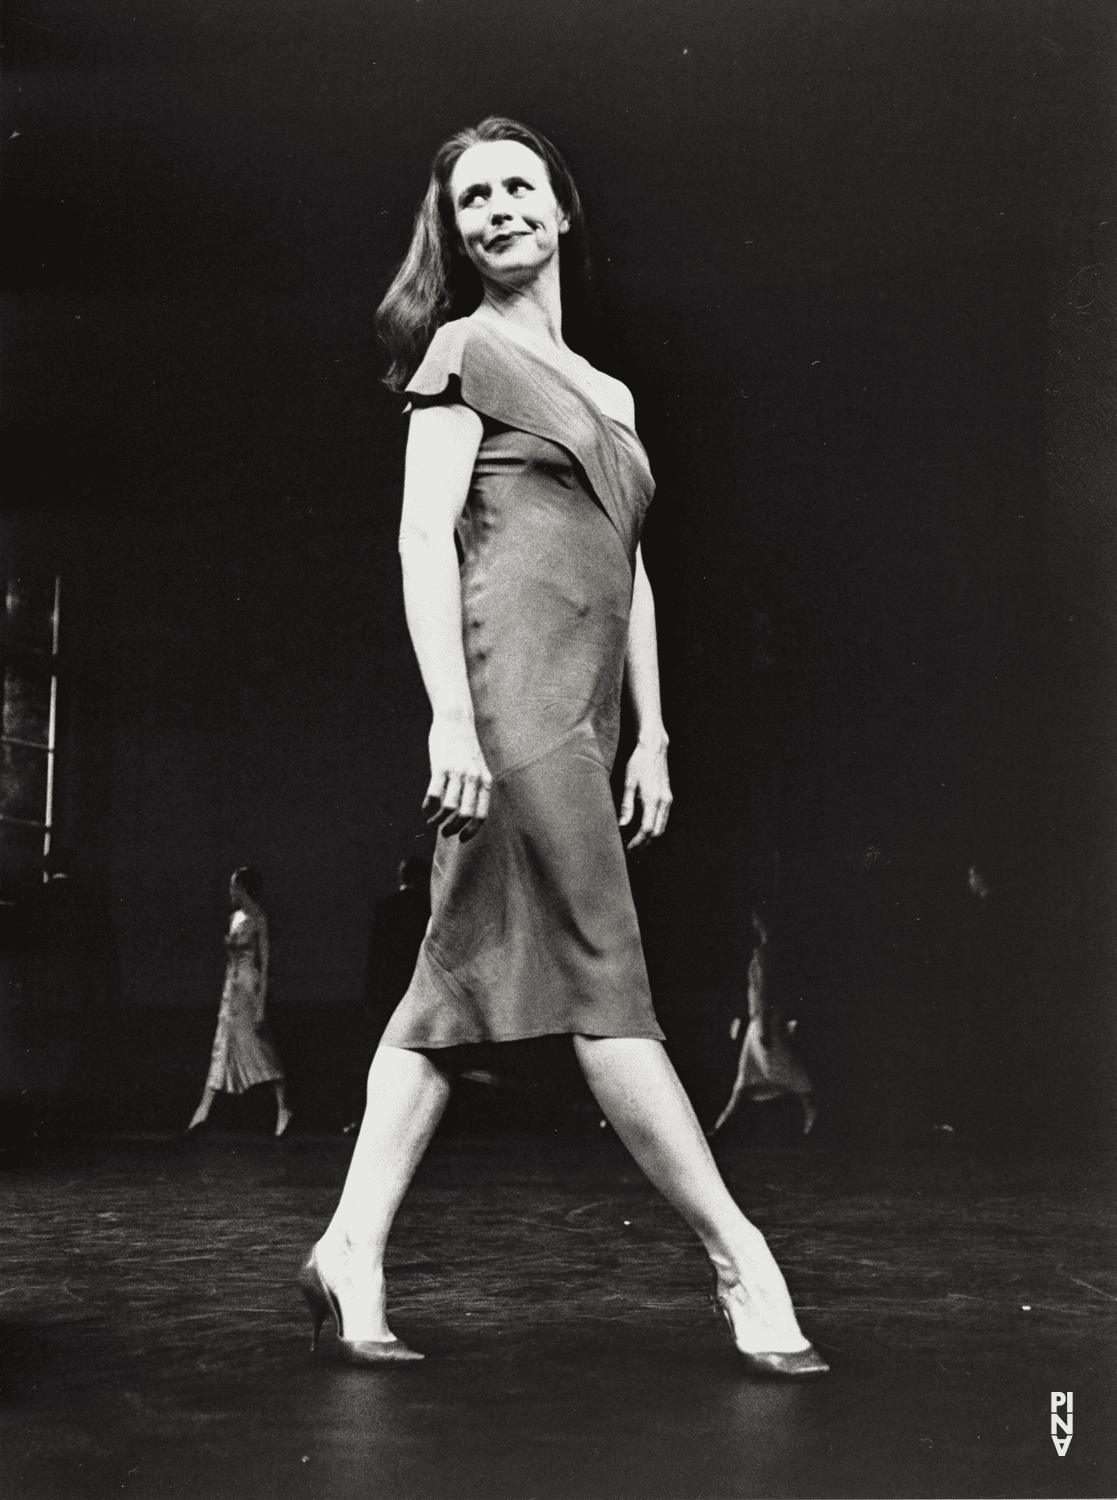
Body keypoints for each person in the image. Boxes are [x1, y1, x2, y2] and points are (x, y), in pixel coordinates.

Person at [299, 117, 827, 1377]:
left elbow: (628, 569)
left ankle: (349, 1248)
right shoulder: (460, 352)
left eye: (516, 187)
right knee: (604, 978)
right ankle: (739, 1257)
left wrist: (652, 732)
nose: (496, 209)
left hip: (587, 716)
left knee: (451, 987)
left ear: (560, 210)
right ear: (457, 229)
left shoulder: (614, 395)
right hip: (510, 702)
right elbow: (427, 542)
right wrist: (448, 714)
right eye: (470, 197)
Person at [187, 867, 292, 1138]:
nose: (231, 891)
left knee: (259, 1046)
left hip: (248, 986)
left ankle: (283, 1108)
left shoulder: (258, 918)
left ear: (244, 888)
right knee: (222, 1045)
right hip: (230, 988)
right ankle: (203, 1111)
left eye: (234, 886)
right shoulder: (234, 917)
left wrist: (260, 1002)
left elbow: (266, 964)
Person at [709, 911, 819, 1137]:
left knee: (779, 1067)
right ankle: (722, 1124)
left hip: (764, 1020)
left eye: (756, 919)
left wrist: (765, 1026)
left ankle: (813, 1113)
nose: (753, 922)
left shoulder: (765, 953)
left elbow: (765, 990)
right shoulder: (772, 952)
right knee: (748, 1073)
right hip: (762, 1019)